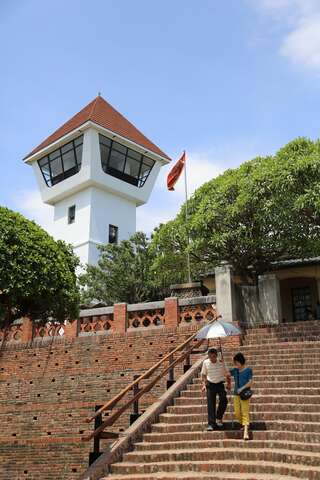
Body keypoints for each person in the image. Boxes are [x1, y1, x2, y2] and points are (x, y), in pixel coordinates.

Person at [201, 347, 230, 430]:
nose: (211, 359)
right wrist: (203, 384)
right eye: (209, 357)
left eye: (213, 357)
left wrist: (228, 384)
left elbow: (227, 374)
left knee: (224, 399)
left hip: (220, 383)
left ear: (216, 356)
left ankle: (219, 417)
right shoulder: (205, 363)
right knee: (210, 404)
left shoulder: (221, 362)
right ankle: (211, 424)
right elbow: (203, 375)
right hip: (210, 384)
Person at [230, 352, 253, 441]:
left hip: (244, 394)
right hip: (236, 394)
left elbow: (250, 382)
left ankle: (246, 431)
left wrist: (242, 388)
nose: (235, 364)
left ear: (241, 361)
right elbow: (226, 374)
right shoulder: (235, 371)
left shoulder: (248, 370)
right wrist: (222, 363)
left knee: (245, 411)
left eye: (236, 362)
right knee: (237, 412)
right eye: (234, 363)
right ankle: (244, 424)